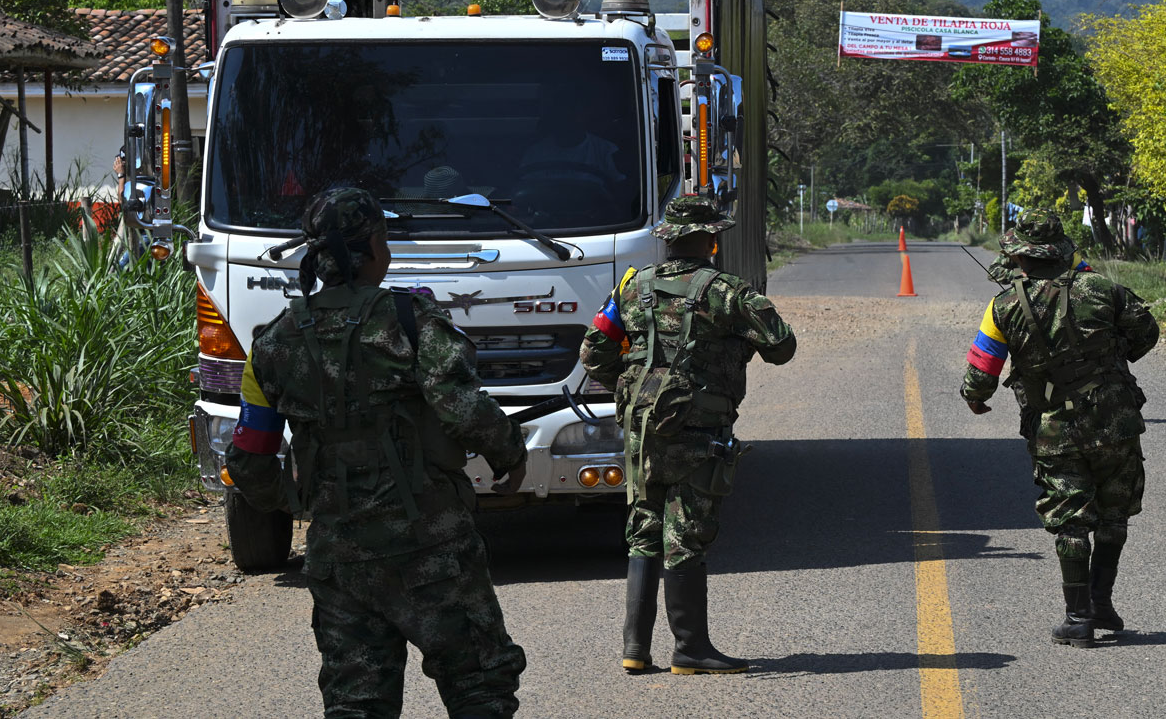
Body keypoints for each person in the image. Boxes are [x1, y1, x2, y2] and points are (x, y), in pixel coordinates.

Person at [225, 186, 528, 719]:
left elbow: (249, 457)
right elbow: (464, 408)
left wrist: (298, 504)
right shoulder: (410, 321)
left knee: (357, 703)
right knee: (479, 685)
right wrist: (510, 457)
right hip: (432, 550)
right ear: (372, 246)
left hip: (339, 560)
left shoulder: (272, 343)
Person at [579, 194, 796, 675]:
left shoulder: (631, 289)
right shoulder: (725, 291)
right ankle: (691, 649)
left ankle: (635, 650)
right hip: (697, 428)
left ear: (668, 242)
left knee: (644, 531)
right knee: (687, 535)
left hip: (640, 426)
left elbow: (594, 354)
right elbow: (782, 346)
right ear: (711, 240)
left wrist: (638, 386)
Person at [958, 207, 1159, 648]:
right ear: (1062, 253)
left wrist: (975, 400)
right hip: (1116, 422)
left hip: (1054, 429)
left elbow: (982, 371)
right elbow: (1147, 332)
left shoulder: (1003, 306)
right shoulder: (1105, 289)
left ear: (1021, 259)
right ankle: (1102, 601)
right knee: (1114, 514)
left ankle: (1078, 617)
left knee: (1070, 522)